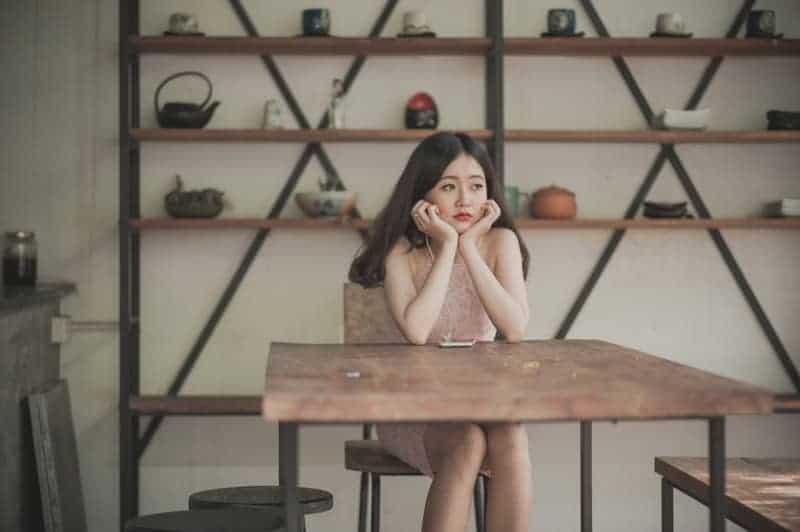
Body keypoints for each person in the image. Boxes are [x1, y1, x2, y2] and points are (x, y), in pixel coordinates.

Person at [349, 132, 532, 532]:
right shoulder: (401, 250)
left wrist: (470, 248)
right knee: (466, 442)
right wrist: (448, 245)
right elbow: (417, 331)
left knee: (511, 431)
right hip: (412, 407)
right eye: (449, 187)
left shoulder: (501, 242)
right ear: (422, 197)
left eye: (476, 186)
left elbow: (515, 327)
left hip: (479, 399)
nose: (465, 200)